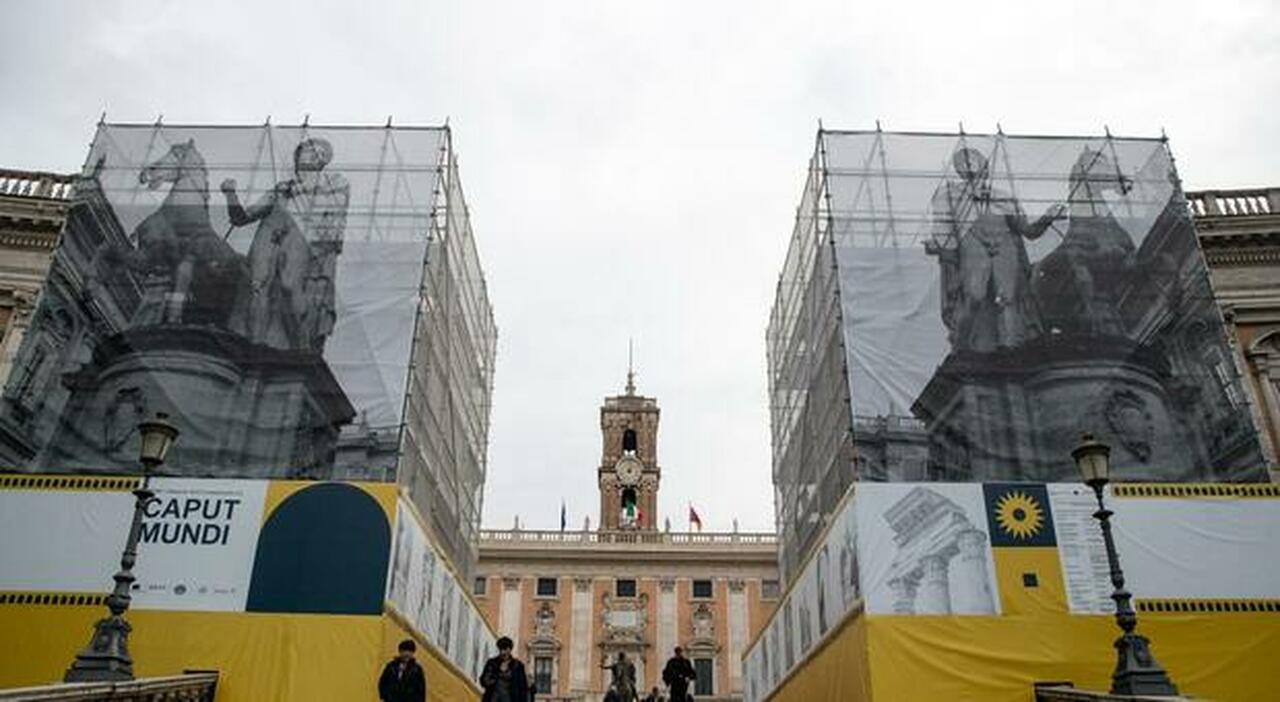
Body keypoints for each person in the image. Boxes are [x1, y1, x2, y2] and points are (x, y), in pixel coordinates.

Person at [925, 146, 1065, 352]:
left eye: (973, 160)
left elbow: (1028, 230)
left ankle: (1009, 347)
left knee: (1008, 298)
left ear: (985, 165)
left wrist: (1047, 217)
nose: (968, 164)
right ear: (959, 170)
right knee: (974, 295)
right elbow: (943, 227)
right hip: (972, 241)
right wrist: (940, 246)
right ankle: (962, 344)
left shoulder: (1004, 197)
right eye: (962, 162)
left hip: (1004, 243)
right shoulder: (949, 194)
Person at [220, 137, 350, 353]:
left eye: (316, 153)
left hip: (300, 238)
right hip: (268, 236)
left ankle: (302, 346)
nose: (309, 155)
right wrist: (230, 194)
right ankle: (255, 346)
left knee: (290, 287)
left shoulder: (332, 185)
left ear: (322, 161)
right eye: (306, 151)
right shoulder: (281, 189)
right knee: (257, 287)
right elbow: (241, 218)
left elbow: (332, 224)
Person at [480, 636, 529, 702]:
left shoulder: (518, 666)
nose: (502, 652)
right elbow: (484, 681)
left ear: (509, 649)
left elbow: (523, 689)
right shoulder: (492, 663)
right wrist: (497, 674)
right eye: (500, 649)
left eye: (505, 649)